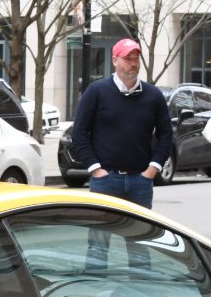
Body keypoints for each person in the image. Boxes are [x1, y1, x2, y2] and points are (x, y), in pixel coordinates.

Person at [69, 38, 173, 209]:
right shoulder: (96, 92)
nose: (133, 64)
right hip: (105, 180)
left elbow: (166, 134)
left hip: (141, 181)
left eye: (136, 59)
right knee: (100, 234)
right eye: (128, 59)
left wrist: (152, 169)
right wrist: (95, 169)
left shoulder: (153, 96)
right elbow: (79, 132)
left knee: (140, 234)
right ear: (114, 60)